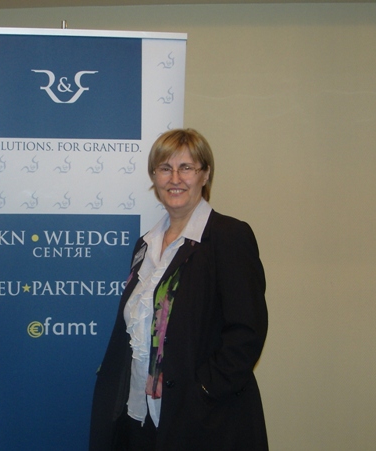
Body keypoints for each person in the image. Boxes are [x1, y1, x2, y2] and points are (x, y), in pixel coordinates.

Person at [89, 129, 268, 450]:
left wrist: (203, 392)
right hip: (140, 413)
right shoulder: (145, 245)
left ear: (205, 174)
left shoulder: (228, 236)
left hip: (204, 419)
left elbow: (247, 332)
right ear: (154, 176)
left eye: (186, 167)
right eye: (165, 168)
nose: (175, 178)